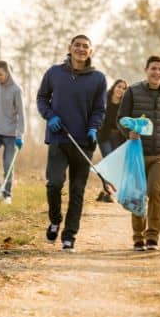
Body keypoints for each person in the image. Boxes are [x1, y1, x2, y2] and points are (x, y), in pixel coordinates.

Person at [36, 35, 107, 252]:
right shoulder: (54, 73)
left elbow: (99, 109)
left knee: (77, 191)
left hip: (84, 142)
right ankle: (55, 220)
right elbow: (41, 98)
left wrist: (94, 127)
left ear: (91, 51)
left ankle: (69, 236)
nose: (81, 49)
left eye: (86, 46)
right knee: (54, 183)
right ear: (70, 48)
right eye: (77, 45)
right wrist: (50, 116)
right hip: (59, 138)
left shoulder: (98, 78)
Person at [117, 55, 160, 251]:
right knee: (137, 194)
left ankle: (152, 236)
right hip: (137, 152)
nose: (157, 72)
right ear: (146, 70)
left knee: (155, 192)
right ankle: (138, 237)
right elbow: (121, 118)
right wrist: (129, 132)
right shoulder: (133, 92)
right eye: (154, 68)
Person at [0, 61, 25, 205]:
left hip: (11, 135)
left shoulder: (16, 90)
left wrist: (20, 135)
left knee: (8, 165)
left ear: (7, 73)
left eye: (0, 74)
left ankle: (7, 194)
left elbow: (21, 114)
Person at [96, 78, 128, 202]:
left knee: (114, 164)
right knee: (108, 161)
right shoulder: (104, 99)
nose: (121, 89)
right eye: (119, 86)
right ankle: (108, 192)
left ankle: (104, 190)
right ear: (114, 87)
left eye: (124, 88)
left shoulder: (124, 104)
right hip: (104, 136)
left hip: (118, 138)